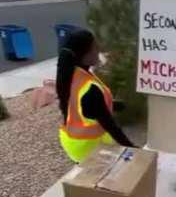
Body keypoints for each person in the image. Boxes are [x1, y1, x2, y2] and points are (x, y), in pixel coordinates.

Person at [56, 29, 134, 163]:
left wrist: (114, 105)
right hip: (87, 146)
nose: (98, 50)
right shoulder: (90, 89)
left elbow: (82, 106)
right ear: (84, 55)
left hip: (72, 139)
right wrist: (133, 150)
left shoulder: (71, 74)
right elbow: (111, 126)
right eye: (94, 47)